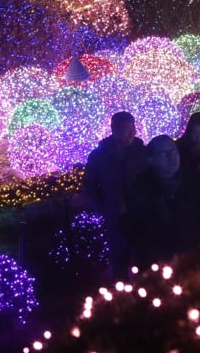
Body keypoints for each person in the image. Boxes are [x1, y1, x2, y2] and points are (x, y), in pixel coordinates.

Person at [125, 135, 200, 269]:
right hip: (156, 264)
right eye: (164, 153)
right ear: (151, 159)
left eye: (173, 151)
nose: (172, 157)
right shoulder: (140, 189)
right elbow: (133, 230)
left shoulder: (192, 181)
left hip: (191, 260)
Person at [82, 111, 147, 277]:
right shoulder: (99, 155)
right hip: (114, 215)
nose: (133, 133)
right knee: (119, 257)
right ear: (114, 130)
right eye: (127, 129)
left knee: (141, 256)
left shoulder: (140, 150)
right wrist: (102, 208)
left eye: (133, 128)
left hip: (140, 212)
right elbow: (89, 186)